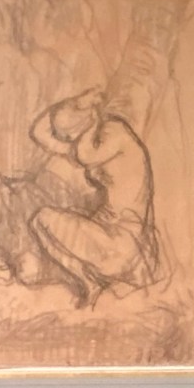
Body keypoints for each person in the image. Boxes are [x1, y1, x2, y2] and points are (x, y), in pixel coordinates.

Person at [28, 88, 160, 306]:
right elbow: (39, 132)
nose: (68, 140)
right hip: (105, 233)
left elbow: (85, 156)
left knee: (43, 217)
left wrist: (90, 116)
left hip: (123, 242)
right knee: (39, 221)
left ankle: (98, 281)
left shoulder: (115, 133)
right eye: (65, 137)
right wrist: (78, 101)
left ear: (86, 124)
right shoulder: (93, 143)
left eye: (69, 135)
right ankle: (89, 282)